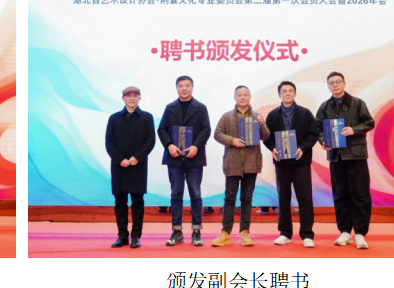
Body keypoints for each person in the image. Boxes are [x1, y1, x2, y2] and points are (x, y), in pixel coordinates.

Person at [315, 72, 375, 248]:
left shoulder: (357, 103)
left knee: (360, 194)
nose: (335, 85)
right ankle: (345, 232)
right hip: (336, 156)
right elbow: (317, 128)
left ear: (344, 83)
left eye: (338, 82)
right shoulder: (324, 106)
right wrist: (323, 141)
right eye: (331, 83)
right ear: (328, 86)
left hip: (356, 155)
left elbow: (369, 123)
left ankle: (361, 233)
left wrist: (354, 130)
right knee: (340, 194)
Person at [263, 81, 320, 247]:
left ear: (295, 94)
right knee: (283, 197)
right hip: (281, 162)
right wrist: (273, 148)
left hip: (301, 161)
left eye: (290, 91)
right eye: (284, 91)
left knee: (305, 197)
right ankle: (285, 233)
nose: (287, 94)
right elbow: (267, 137)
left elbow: (313, 134)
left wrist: (303, 148)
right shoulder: (272, 115)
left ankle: (307, 234)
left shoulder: (305, 113)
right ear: (279, 95)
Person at [212, 86, 270, 247]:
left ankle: (244, 232)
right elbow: (217, 134)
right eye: (239, 95)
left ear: (250, 97)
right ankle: (225, 233)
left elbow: (266, 136)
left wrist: (262, 125)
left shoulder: (257, 116)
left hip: (251, 163)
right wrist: (232, 140)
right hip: (232, 162)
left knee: (247, 198)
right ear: (235, 97)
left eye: (245, 95)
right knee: (229, 198)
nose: (242, 97)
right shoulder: (227, 116)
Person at [157, 76, 211, 247]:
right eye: (180, 86)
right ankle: (177, 231)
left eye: (187, 85)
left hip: (194, 157)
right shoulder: (170, 108)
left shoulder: (201, 108)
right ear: (176, 88)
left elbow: (206, 129)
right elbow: (161, 129)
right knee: (176, 194)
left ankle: (196, 231)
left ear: (192, 88)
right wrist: (169, 145)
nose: (184, 88)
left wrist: (196, 146)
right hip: (174, 157)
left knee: (195, 194)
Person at [104, 86, 156, 249]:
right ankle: (122, 236)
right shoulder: (114, 118)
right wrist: (120, 159)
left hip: (137, 166)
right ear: (123, 98)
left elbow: (150, 140)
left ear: (140, 98)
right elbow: (109, 142)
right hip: (119, 166)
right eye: (128, 96)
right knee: (120, 202)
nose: (132, 98)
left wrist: (136, 157)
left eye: (135, 95)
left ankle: (135, 236)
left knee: (137, 202)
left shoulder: (147, 117)